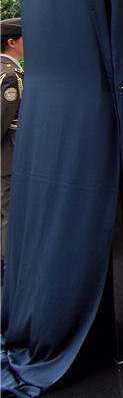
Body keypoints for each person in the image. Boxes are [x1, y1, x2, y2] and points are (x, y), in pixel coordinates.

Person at [1, 18, 24, 272]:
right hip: (8, 157)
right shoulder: (10, 77)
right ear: (11, 42)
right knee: (10, 214)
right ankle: (10, 267)